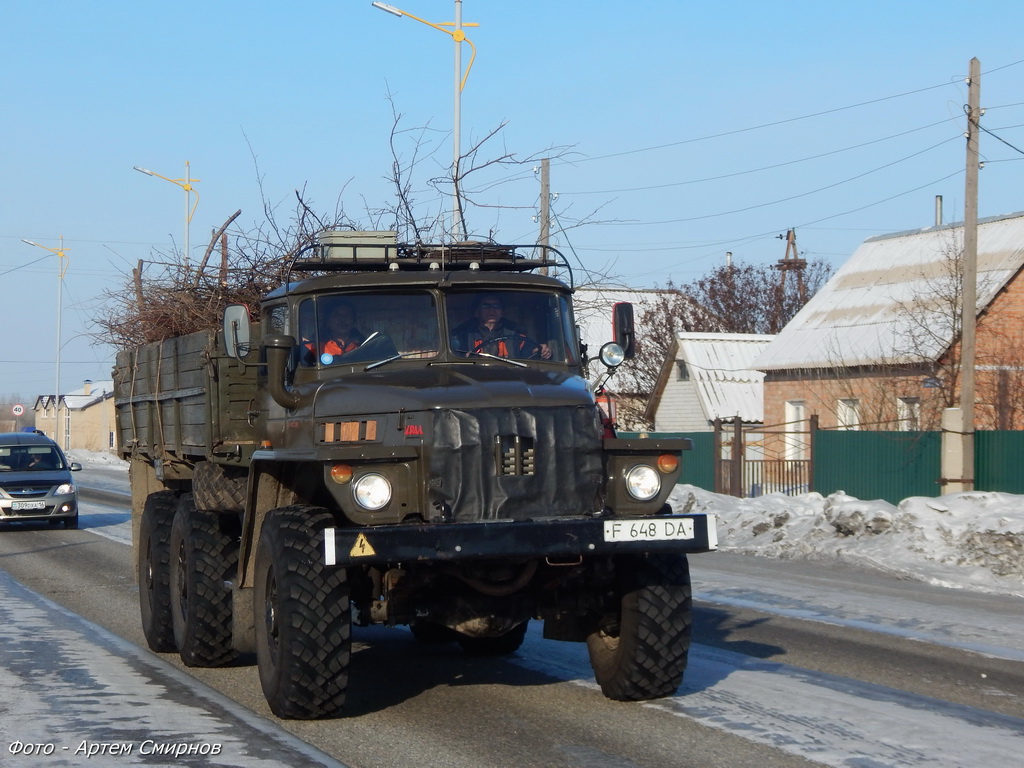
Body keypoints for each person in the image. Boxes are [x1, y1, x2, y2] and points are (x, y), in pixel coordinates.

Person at [451, 293, 551, 359]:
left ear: (502, 312)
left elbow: (531, 353)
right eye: (486, 306)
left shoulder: (517, 336)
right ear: (476, 312)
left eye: (496, 306)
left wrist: (541, 350)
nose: (492, 310)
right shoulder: (461, 336)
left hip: (509, 381)